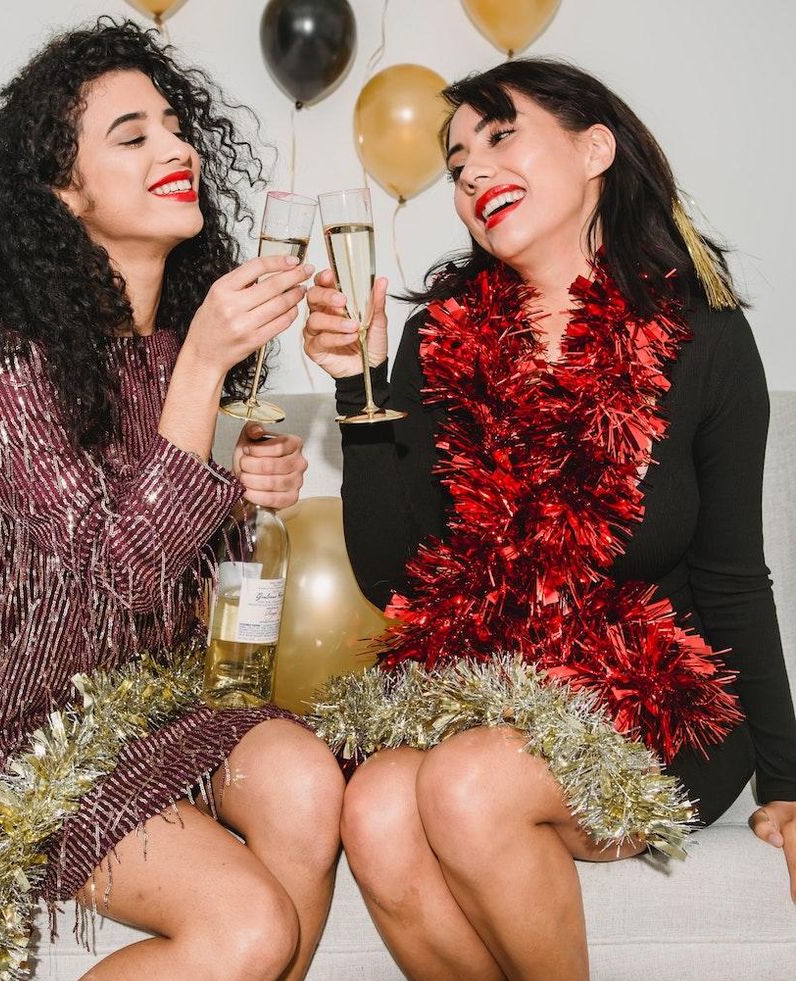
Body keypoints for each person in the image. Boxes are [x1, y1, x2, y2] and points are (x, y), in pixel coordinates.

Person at [304, 58, 796, 981]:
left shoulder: (706, 338)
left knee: (467, 782)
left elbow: (735, 576)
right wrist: (359, 389)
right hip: (490, 693)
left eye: (501, 137)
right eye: (457, 165)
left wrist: (791, 783)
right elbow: (397, 578)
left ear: (595, 147)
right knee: (373, 802)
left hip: (657, 702)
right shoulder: (436, 336)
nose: (473, 175)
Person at [0, 19, 344, 981]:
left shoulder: (178, 348)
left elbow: (187, 586)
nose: (177, 148)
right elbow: (123, 575)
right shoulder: (3, 358)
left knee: (307, 780)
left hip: (173, 710)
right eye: (133, 134)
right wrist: (203, 371)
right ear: (64, 191)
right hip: (44, 739)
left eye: (176, 127)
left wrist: (244, 499)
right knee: (249, 928)